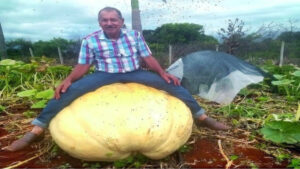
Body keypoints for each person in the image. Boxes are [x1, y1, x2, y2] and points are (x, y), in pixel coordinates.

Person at [3, 7, 229, 152]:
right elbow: (84, 65)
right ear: (99, 22)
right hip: (104, 75)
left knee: (175, 87)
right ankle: (35, 131)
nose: (109, 23)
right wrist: (69, 79)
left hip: (134, 72)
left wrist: (161, 73)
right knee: (64, 94)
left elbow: (147, 57)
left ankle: (203, 117)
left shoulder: (134, 36)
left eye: (113, 19)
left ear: (121, 21)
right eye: (104, 20)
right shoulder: (90, 40)